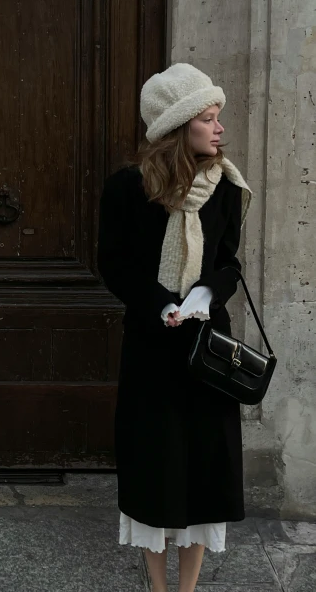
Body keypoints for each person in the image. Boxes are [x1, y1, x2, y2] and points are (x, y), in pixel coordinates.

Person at [97, 63, 253, 592]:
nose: (219, 128)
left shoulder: (227, 188)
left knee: (205, 470)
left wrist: (206, 294)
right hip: (151, 346)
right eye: (207, 119)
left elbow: (230, 263)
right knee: (154, 468)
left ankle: (186, 590)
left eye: (218, 118)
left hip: (208, 348)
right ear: (178, 126)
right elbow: (113, 263)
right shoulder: (127, 189)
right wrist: (160, 303)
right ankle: (157, 588)